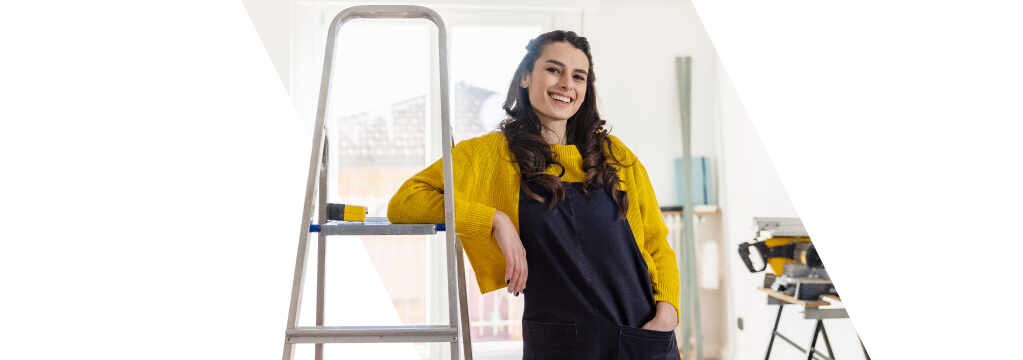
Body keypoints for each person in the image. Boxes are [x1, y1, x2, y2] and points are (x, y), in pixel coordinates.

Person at [388, 30, 681, 359]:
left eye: (578, 76)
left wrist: (667, 312)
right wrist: (495, 221)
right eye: (554, 70)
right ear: (526, 76)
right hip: (560, 344)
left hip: (640, 336)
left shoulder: (615, 156)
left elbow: (657, 245)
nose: (566, 84)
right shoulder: (491, 155)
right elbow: (405, 202)